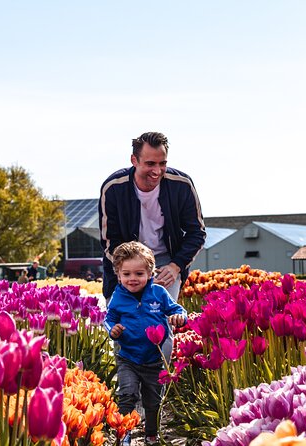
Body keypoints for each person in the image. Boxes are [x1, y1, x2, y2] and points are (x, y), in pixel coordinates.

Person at [98, 131, 206, 302]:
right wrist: (134, 271)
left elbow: (197, 233)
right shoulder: (113, 188)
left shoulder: (181, 185)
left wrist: (176, 266)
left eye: (162, 163)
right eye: (150, 164)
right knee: (123, 323)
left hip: (166, 263)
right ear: (134, 160)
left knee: (161, 321)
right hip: (125, 265)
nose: (157, 171)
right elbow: (110, 241)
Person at [104, 241, 187, 445]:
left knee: (153, 402)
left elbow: (176, 309)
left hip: (154, 360)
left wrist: (179, 317)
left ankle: (151, 434)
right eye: (127, 274)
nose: (133, 279)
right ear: (118, 275)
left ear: (150, 273)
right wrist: (112, 330)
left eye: (139, 274)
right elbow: (110, 318)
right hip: (128, 358)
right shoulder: (118, 296)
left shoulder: (158, 293)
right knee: (127, 395)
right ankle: (124, 434)